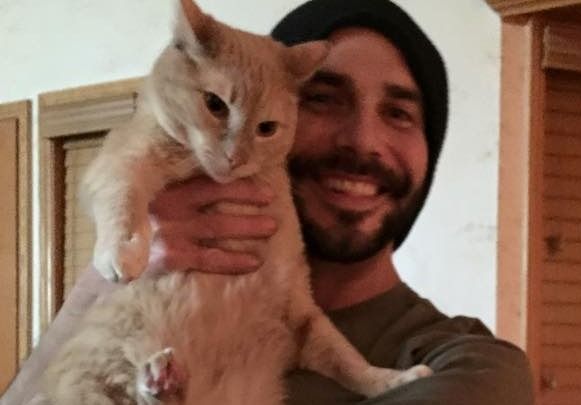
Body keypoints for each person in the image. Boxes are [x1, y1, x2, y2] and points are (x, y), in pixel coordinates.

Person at [1, 0, 533, 404]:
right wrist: (97, 292)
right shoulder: (117, 289)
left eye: (398, 113)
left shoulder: (467, 363)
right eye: (323, 99)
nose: (363, 141)